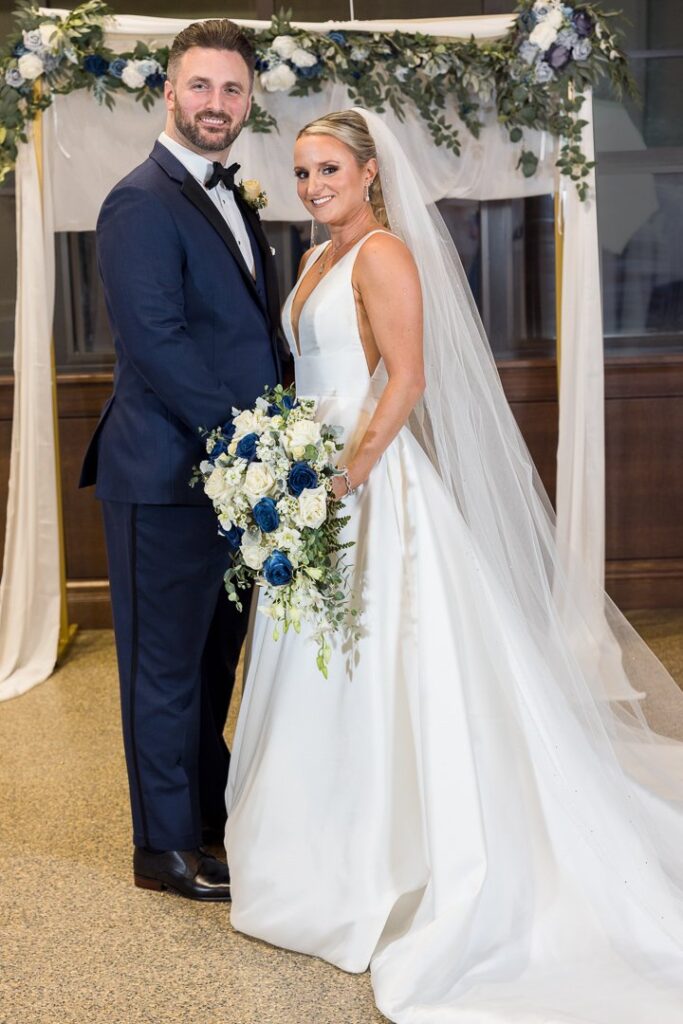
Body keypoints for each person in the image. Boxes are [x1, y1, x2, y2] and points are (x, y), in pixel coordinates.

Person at [225, 109, 683, 1022]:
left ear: (367, 175)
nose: (313, 187)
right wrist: (281, 456)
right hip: (309, 479)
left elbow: (406, 376)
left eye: (328, 171)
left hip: (367, 488)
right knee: (317, 665)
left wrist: (347, 474)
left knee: (385, 661)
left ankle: (385, 859)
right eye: (303, 172)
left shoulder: (383, 254)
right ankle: (314, 845)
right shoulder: (317, 258)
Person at [79, 19, 287, 900]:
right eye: (199, 86)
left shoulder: (229, 195)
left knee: (211, 666)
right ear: (168, 91)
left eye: (232, 89)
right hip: (165, 477)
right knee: (163, 674)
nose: (215, 103)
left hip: (228, 483)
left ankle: (208, 824)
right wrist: (251, 441)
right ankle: (162, 851)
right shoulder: (139, 199)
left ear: (249, 100)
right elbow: (157, 345)